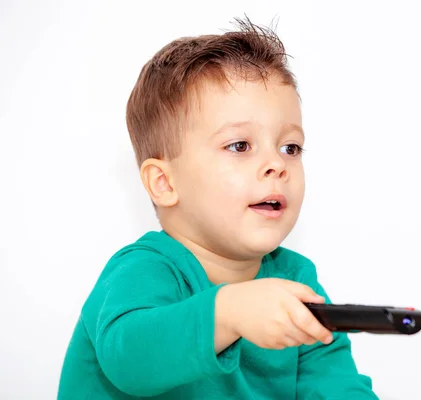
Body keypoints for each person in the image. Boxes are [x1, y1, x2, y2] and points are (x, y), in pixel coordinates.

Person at [58, 17, 378, 399]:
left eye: (290, 147)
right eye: (240, 146)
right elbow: (129, 358)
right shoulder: (143, 270)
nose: (277, 164)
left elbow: (335, 385)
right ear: (165, 183)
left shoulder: (296, 280)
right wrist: (228, 312)